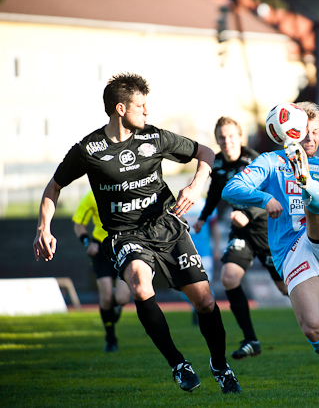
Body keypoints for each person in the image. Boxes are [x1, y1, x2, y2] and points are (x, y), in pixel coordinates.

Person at [32, 73, 241, 394]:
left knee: (205, 300)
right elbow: (54, 186)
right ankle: (178, 364)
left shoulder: (154, 138)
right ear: (119, 109)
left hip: (167, 226)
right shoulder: (89, 149)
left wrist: (196, 184)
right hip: (125, 235)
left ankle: (220, 366)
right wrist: (43, 227)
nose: (147, 112)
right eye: (140, 106)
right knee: (140, 285)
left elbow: (206, 153)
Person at [222, 102, 319, 391]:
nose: (311, 138)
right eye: (305, 132)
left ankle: (307, 184)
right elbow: (230, 188)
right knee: (313, 329)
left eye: (316, 132)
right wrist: (263, 199)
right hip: (294, 254)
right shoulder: (271, 162)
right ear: (290, 132)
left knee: (317, 205)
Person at [193, 116, 288, 360]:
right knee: (229, 277)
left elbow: (270, 193)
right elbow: (215, 192)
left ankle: (316, 322)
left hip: (266, 229)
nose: (227, 141)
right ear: (217, 140)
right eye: (222, 137)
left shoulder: (255, 160)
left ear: (240, 137)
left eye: (231, 136)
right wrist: (203, 217)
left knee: (286, 288)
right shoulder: (218, 164)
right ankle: (251, 340)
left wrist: (248, 212)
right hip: (241, 230)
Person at [72, 190, 131, 352]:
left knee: (123, 298)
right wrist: (87, 243)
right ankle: (110, 339)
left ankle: (117, 303)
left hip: (123, 247)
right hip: (101, 250)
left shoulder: (126, 190)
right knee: (105, 298)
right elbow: (78, 224)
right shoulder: (91, 196)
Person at [181, 198, 221, 325]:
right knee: (184, 287)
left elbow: (215, 229)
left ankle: (209, 313)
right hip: (185, 252)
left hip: (204, 252)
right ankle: (197, 309)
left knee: (206, 286)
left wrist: (216, 248)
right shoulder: (180, 204)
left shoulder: (206, 205)